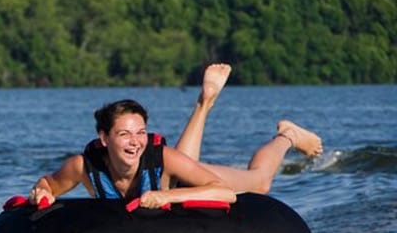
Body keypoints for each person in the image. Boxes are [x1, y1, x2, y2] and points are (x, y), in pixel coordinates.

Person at [29, 63, 323, 209]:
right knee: (181, 161)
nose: (135, 141)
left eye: (141, 133)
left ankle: (287, 135)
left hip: (182, 179)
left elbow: (224, 192)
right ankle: (204, 102)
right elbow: (49, 184)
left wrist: (166, 196)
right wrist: (41, 192)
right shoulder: (83, 166)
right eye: (125, 134)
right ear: (104, 138)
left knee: (259, 182)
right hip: (175, 170)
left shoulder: (158, 156)